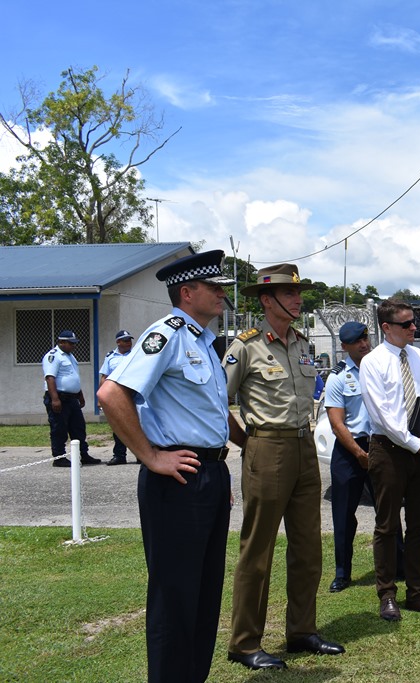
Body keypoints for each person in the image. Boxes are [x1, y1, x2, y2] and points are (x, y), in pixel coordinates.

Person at [96, 250, 244, 682]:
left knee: (203, 594)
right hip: (177, 479)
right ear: (187, 292)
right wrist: (151, 455)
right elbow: (111, 395)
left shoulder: (203, 342)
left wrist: (222, 469)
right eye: (214, 288)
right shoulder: (168, 334)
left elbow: (210, 414)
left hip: (209, 474)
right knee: (174, 597)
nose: (222, 295)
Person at [224, 263, 344, 670]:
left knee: (308, 546)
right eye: (290, 294)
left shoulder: (302, 343)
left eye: (299, 294)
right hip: (267, 449)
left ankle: (301, 631)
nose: (298, 300)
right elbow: (214, 403)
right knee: (258, 550)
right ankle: (244, 642)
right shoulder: (245, 346)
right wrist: (248, 443)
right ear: (266, 299)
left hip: (303, 447)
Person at [360, 298, 420, 622]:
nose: (414, 328)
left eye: (415, 322)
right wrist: (415, 444)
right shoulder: (372, 362)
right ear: (387, 328)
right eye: (407, 324)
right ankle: (387, 595)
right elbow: (383, 416)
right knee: (387, 526)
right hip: (390, 451)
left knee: (419, 526)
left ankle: (418, 593)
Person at [324, 320, 404, 592]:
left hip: (382, 445)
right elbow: (337, 424)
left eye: (365, 338)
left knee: (389, 510)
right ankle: (343, 573)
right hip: (350, 451)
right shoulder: (337, 376)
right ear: (345, 347)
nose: (363, 344)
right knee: (344, 515)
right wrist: (359, 453)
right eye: (356, 341)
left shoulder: (384, 368)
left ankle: (399, 565)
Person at [43, 329, 101, 467]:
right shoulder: (53, 356)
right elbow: (50, 378)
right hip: (59, 398)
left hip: (72, 399)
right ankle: (59, 457)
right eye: (71, 343)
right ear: (62, 342)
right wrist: (55, 399)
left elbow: (73, 377)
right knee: (59, 428)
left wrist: (80, 395)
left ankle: (83, 454)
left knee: (78, 428)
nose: (73, 346)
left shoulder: (70, 356)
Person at [98, 329, 135, 465]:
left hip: (134, 395)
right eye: (125, 341)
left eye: (130, 340)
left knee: (139, 425)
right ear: (118, 342)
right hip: (117, 396)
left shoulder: (136, 355)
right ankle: (119, 455)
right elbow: (104, 377)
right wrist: (100, 399)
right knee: (119, 425)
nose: (128, 343)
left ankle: (141, 456)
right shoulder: (110, 357)